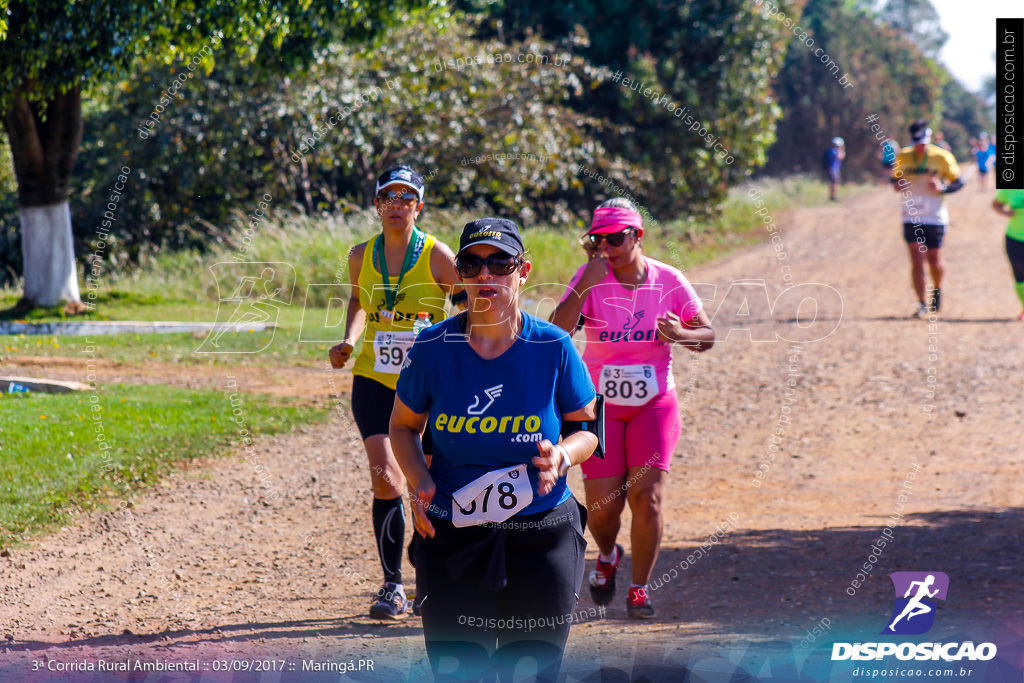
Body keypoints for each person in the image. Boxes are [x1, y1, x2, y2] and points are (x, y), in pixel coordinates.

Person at [390, 217, 599, 681]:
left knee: (531, 669)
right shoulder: (433, 346)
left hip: (541, 531)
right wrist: (419, 480)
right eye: (472, 263)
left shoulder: (553, 345)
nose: (486, 275)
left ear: (522, 271)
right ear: (460, 274)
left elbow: (587, 430)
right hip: (453, 533)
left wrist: (562, 455)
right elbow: (403, 427)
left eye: (500, 262)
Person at [550, 198, 715, 619]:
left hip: (654, 403)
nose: (607, 246)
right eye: (598, 239)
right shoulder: (590, 278)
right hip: (600, 407)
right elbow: (556, 332)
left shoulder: (668, 279)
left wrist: (680, 332)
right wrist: (587, 278)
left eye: (616, 237)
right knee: (603, 509)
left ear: (637, 236)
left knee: (648, 498)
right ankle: (607, 555)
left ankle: (640, 588)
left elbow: (707, 335)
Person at [328, 165, 463, 620]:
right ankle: (392, 586)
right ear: (377, 204)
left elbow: (463, 301)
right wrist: (349, 339)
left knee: (427, 483)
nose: (397, 205)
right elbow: (357, 299)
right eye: (389, 196)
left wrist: (443, 336)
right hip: (373, 378)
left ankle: (430, 580)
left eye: (407, 198)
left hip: (427, 382)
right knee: (387, 476)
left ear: (419, 206)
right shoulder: (359, 255)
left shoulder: (437, 254)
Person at [891, 119, 963, 318]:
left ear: (929, 138)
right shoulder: (903, 156)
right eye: (916, 143)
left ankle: (937, 289)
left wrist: (943, 188)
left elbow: (959, 183)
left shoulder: (942, 157)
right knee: (916, 259)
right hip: (910, 215)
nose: (920, 147)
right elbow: (894, 180)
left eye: (923, 142)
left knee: (934, 260)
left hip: (935, 216)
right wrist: (897, 186)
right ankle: (922, 302)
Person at [991, 188, 1024, 320]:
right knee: (1020, 275)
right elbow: (995, 204)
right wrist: (1005, 212)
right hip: (1014, 238)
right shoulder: (1010, 188)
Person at [825, 137, 846, 201]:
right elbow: (840, 157)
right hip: (833, 169)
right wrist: (842, 150)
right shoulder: (833, 151)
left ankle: (833, 196)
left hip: (834, 169)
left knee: (834, 183)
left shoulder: (832, 150)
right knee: (834, 183)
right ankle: (832, 197)